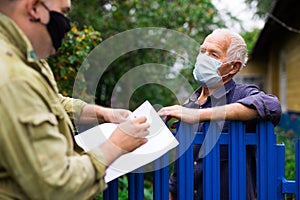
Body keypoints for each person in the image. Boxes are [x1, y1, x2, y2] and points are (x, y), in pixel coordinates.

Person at [0, 0, 150, 199]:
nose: (67, 25)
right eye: (63, 12)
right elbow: (56, 187)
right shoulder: (13, 77)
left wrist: (102, 113)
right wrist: (116, 145)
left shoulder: (21, 57)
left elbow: (48, 101)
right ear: (35, 9)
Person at [158, 28, 282, 200]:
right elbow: (180, 169)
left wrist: (201, 115)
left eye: (214, 55)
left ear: (233, 66)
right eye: (203, 51)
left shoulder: (241, 95)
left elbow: (272, 106)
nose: (203, 58)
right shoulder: (190, 104)